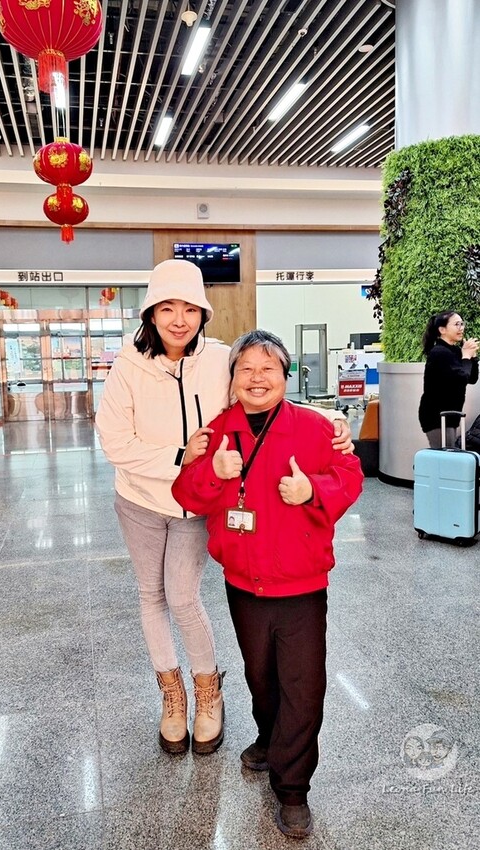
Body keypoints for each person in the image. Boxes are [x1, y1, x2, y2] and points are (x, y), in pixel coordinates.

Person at [96, 260, 353, 758]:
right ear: (150, 313)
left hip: (200, 500)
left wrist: (330, 415)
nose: (178, 319)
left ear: (203, 314)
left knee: (183, 596)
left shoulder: (217, 358)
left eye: (190, 308)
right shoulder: (127, 363)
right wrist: (180, 456)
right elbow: (114, 441)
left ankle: (208, 691)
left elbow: (260, 389)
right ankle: (172, 695)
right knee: (151, 596)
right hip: (141, 497)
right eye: (167, 308)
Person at [172, 329, 363, 838]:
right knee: (261, 676)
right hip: (243, 584)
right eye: (246, 369)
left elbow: (351, 474)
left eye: (268, 368)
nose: (257, 378)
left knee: (303, 687)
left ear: (286, 375)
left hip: (301, 586)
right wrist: (211, 471)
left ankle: (293, 788)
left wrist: (312, 490)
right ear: (232, 379)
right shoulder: (216, 432)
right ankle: (266, 737)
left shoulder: (315, 427)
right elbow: (185, 492)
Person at [418, 311, 479, 448]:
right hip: (437, 416)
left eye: (462, 324)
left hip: (450, 415)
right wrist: (466, 357)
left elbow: (471, 378)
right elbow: (461, 377)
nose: (461, 328)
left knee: (448, 457)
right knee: (445, 458)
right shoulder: (439, 352)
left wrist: (472, 357)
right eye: (457, 324)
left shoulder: (455, 351)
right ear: (442, 330)